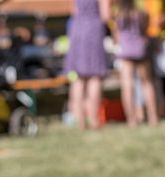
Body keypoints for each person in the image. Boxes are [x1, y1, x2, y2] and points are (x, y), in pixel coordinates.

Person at [64, 0, 111, 129]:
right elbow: (106, 15)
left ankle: (80, 122)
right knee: (94, 77)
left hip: (77, 29)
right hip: (93, 30)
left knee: (78, 78)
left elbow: (74, 11)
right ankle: (94, 120)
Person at [113, 0, 159, 126]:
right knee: (147, 83)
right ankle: (153, 118)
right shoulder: (140, 13)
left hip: (126, 52)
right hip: (141, 50)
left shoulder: (118, 15)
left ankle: (131, 120)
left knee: (127, 85)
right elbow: (146, 29)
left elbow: (116, 37)